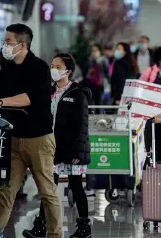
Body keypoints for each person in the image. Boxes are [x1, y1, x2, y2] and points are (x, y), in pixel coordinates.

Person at [0, 23, 62, 238]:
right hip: (14, 138)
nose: (5, 46)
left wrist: (1, 102)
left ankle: (55, 235)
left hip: (39, 139)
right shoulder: (7, 69)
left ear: (23, 44)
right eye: (4, 41)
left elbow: (30, 98)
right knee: (5, 190)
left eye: (8, 42)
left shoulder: (39, 68)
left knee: (47, 191)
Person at [22, 53, 92, 238]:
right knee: (48, 187)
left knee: (76, 186)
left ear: (68, 71)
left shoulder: (77, 94)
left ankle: (84, 227)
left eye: (58, 67)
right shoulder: (48, 92)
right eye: (52, 65)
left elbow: (82, 126)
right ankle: (41, 225)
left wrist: (77, 150)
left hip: (71, 148)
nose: (53, 69)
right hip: (50, 147)